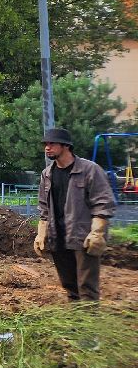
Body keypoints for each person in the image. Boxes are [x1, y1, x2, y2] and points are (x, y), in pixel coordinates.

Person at [34, 126, 115, 301]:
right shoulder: (47, 174)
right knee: (69, 285)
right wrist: (41, 234)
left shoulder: (89, 170)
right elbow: (44, 208)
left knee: (87, 287)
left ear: (66, 146)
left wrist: (97, 233)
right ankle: (76, 323)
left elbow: (103, 203)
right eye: (46, 144)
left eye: (52, 143)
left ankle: (88, 324)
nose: (47, 147)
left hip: (83, 238)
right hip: (58, 237)